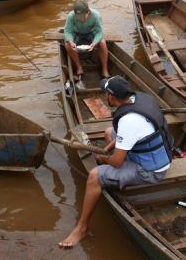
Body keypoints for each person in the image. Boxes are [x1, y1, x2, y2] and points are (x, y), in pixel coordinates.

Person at [58, 75, 173, 249]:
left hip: (150, 171)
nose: (105, 95)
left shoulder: (128, 121)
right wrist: (108, 149)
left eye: (106, 93)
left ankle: (82, 227)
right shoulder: (141, 99)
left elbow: (117, 162)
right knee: (108, 132)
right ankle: (115, 177)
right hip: (159, 154)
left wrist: (102, 158)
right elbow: (126, 134)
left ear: (111, 97)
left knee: (95, 175)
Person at [63, 1, 109, 80]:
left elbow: (99, 32)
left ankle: (105, 69)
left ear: (88, 12)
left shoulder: (96, 15)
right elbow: (68, 31)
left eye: (83, 16)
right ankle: (79, 67)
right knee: (67, 45)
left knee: (102, 43)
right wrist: (71, 41)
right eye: (79, 17)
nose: (81, 19)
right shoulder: (71, 16)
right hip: (77, 33)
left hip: (91, 32)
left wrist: (94, 43)